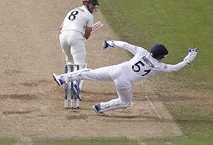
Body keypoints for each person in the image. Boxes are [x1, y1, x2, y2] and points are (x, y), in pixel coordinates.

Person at [53, 40, 198, 115]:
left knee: (88, 72)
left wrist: (111, 43)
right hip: (124, 82)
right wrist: (188, 59)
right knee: (125, 103)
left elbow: (126, 45)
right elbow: (175, 68)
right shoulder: (158, 66)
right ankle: (100, 107)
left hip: (116, 69)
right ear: (160, 56)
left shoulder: (142, 51)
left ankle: (62, 78)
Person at [58, 0, 100, 96]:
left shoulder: (71, 11)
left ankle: (69, 84)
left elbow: (61, 27)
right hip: (76, 36)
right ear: (87, 3)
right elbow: (88, 31)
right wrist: (83, 38)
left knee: (70, 61)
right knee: (81, 65)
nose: (94, 7)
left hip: (63, 36)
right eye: (93, 5)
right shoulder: (89, 15)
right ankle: (76, 86)